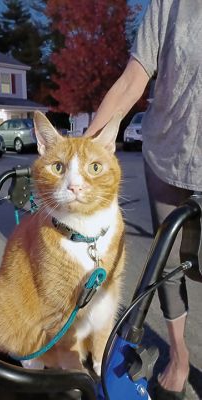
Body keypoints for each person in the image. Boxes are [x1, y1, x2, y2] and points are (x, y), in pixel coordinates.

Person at [84, 1, 202, 399]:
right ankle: (180, 356)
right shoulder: (170, 4)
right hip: (167, 153)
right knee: (167, 264)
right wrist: (83, 157)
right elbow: (134, 79)